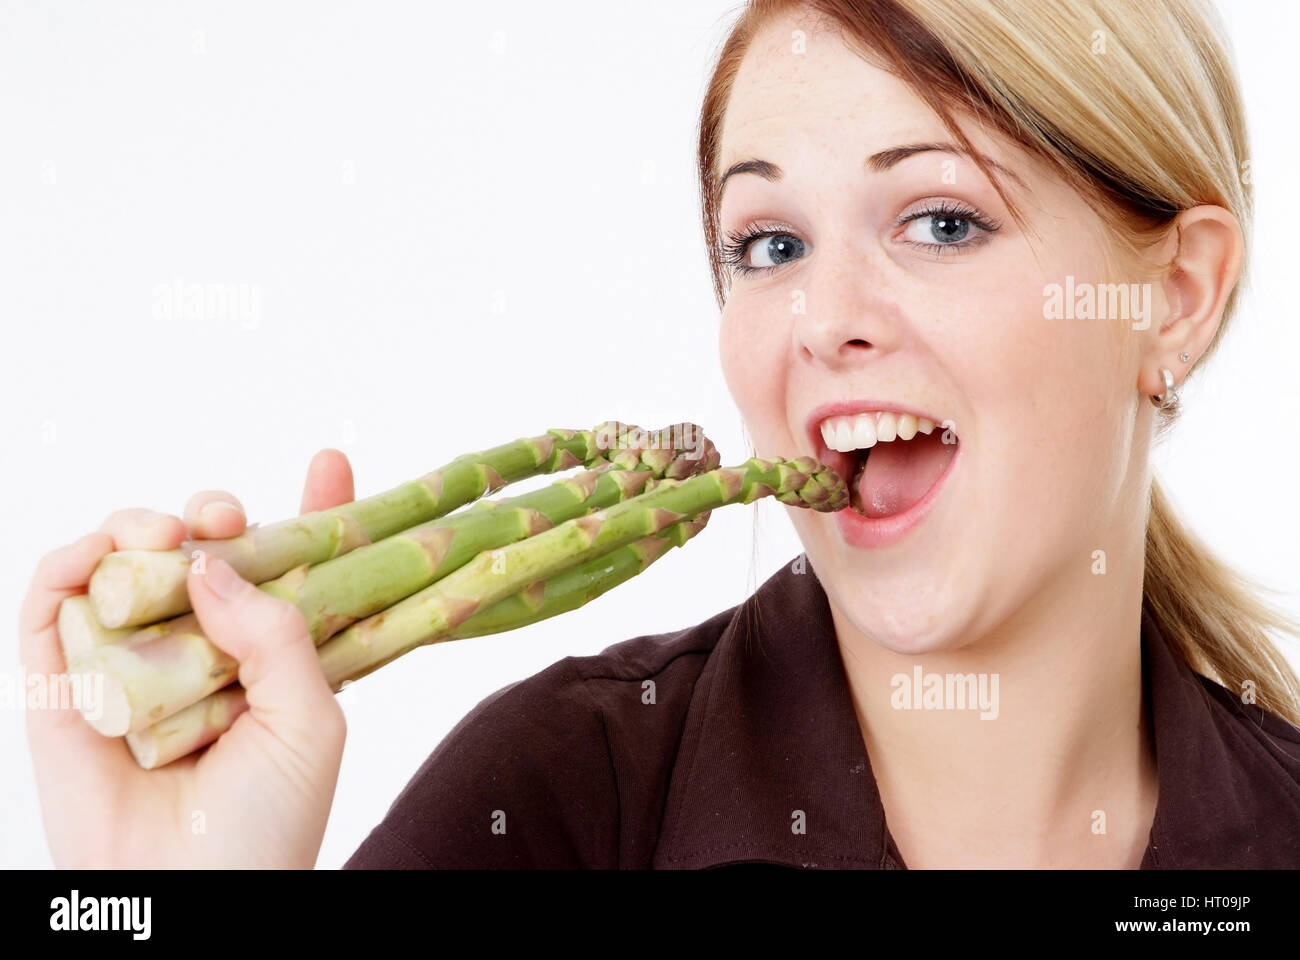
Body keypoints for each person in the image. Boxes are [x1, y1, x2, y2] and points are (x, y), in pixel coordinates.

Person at [20, 0, 1300, 869]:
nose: (822, 321)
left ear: (1170, 296)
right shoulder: (558, 798)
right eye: (770, 245)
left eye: (940, 221)